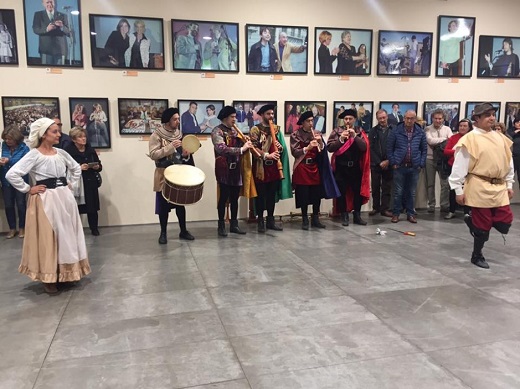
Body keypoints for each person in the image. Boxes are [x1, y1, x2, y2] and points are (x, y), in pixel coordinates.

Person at [6, 118, 90, 294]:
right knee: (49, 237)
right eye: (54, 131)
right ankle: (49, 276)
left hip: (64, 198)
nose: (59, 134)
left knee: (66, 235)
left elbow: (75, 168)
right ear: (44, 135)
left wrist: (71, 184)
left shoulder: (60, 153)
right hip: (46, 199)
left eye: (58, 130)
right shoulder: (34, 154)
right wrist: (29, 188)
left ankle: (66, 273)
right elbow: (12, 174)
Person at [449, 103, 514, 269]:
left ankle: (472, 222)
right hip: (478, 185)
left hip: (498, 186)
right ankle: (477, 254)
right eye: (487, 115)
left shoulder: (500, 138)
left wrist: (509, 183)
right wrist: (458, 189)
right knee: (483, 228)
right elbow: (459, 166)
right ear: (476, 119)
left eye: (493, 114)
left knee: (504, 222)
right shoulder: (469, 140)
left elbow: (508, 162)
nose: (492, 118)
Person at [148, 108, 195, 244]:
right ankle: (163, 233)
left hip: (178, 173)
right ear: (168, 120)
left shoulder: (180, 134)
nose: (178, 121)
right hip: (163, 174)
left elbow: (183, 154)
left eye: (178, 118)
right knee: (163, 206)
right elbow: (153, 154)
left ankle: (183, 230)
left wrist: (186, 154)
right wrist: (170, 147)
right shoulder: (156, 135)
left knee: (181, 204)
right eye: (175, 119)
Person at [290, 110, 339, 230]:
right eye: (308, 121)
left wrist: (320, 143)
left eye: (312, 120)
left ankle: (315, 218)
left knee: (317, 194)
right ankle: (305, 219)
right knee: (304, 194)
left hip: (314, 167)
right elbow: (295, 152)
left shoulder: (317, 133)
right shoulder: (295, 135)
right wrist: (308, 147)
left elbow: (322, 151)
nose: (311, 123)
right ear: (302, 123)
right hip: (302, 167)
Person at [211, 106, 254, 236]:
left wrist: (245, 142)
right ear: (225, 118)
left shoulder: (235, 131)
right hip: (224, 168)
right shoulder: (217, 131)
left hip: (236, 167)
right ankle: (221, 225)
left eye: (235, 117)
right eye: (232, 117)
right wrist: (241, 149)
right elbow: (221, 149)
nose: (235, 119)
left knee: (235, 197)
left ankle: (234, 224)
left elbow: (240, 145)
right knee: (223, 197)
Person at [249, 104, 292, 232]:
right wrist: (267, 155)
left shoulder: (276, 129)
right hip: (261, 168)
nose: (271, 116)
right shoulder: (255, 130)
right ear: (262, 115)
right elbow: (253, 149)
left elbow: (281, 148)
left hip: (274, 168)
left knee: (271, 195)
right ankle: (261, 221)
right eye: (268, 114)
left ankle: (270, 220)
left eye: (272, 114)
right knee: (261, 195)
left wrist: (279, 147)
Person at [327, 109, 370, 226]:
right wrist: (341, 139)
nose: (347, 121)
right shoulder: (337, 131)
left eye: (350, 119)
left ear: (354, 120)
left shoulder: (359, 131)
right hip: (341, 168)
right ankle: (344, 215)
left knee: (357, 192)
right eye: (346, 119)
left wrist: (355, 137)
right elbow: (330, 147)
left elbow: (364, 147)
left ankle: (357, 215)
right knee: (341, 192)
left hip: (355, 167)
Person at [387, 110, 427, 223]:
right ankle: (396, 214)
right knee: (398, 192)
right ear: (404, 118)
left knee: (412, 192)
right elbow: (389, 149)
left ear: (415, 119)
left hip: (414, 167)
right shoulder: (396, 131)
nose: (409, 120)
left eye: (411, 118)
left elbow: (423, 149)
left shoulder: (420, 132)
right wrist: (393, 162)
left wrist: (421, 163)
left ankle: (410, 214)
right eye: (407, 118)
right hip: (399, 166)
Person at [65, 127, 102, 235]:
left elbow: (99, 165)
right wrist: (79, 168)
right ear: (74, 139)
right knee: (76, 207)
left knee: (92, 207)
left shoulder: (90, 149)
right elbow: (65, 168)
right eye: (80, 137)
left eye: (84, 136)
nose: (83, 139)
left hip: (90, 182)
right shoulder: (68, 151)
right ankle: (75, 230)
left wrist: (96, 166)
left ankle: (94, 228)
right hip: (77, 183)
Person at [0, 128, 29, 238]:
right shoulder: (2, 146)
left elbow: (25, 163)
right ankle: (12, 228)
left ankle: (22, 227)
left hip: (20, 181)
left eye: (10, 139)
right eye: (6, 139)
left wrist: (9, 161)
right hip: (5, 181)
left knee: (21, 205)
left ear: (16, 138)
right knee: (8, 205)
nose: (7, 141)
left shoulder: (24, 148)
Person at [443, 119, 473, 219]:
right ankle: (452, 211)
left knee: (468, 190)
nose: (462, 128)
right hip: (454, 166)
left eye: (465, 126)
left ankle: (467, 211)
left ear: (469, 127)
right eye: (460, 126)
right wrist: (458, 151)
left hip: (469, 168)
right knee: (453, 189)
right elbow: (446, 151)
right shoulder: (453, 137)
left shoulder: (472, 138)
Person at [425, 109, 453, 213]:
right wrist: (444, 140)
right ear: (432, 118)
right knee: (430, 184)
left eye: (440, 118)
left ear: (443, 119)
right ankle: (431, 205)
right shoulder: (427, 129)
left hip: (443, 160)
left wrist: (443, 141)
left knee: (445, 184)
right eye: (436, 118)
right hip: (430, 159)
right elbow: (430, 141)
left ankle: (444, 205)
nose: (438, 120)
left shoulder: (447, 129)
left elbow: (451, 141)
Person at [368, 109, 393, 217]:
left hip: (389, 164)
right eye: (380, 118)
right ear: (377, 119)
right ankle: (376, 208)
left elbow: (396, 147)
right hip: (376, 164)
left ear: (387, 117)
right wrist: (379, 162)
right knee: (375, 187)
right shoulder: (373, 131)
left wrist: (388, 161)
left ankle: (385, 209)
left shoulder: (394, 130)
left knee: (387, 188)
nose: (382, 120)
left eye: (384, 117)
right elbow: (371, 148)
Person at [32, 0, 70, 65]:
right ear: (43, 4)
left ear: (54, 3)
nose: (50, 4)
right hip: (46, 50)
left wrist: (62, 26)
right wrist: (47, 29)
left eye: (51, 2)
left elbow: (69, 32)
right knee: (46, 73)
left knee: (60, 73)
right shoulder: (38, 15)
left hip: (59, 50)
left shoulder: (63, 16)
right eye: (47, 2)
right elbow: (35, 29)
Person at [507, 116, 520, 189]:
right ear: (514, 123)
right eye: (517, 122)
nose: (519, 124)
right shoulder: (510, 131)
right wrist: (516, 132)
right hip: (512, 157)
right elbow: (507, 138)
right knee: (509, 177)